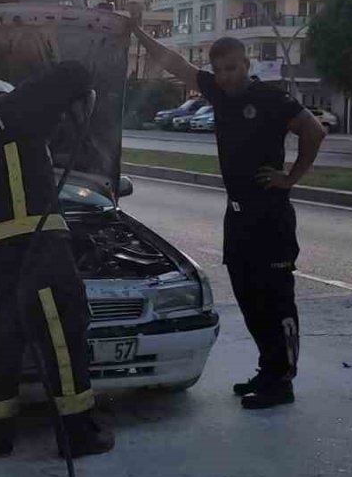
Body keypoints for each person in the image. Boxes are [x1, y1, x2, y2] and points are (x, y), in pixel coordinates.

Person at [133, 26, 326, 409]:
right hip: (237, 218)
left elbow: (314, 131)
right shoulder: (218, 94)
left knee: (276, 300)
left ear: (247, 64)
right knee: (248, 297)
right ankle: (267, 368)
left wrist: (290, 179)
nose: (226, 76)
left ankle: (282, 380)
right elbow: (175, 63)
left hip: (270, 216)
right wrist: (137, 32)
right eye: (219, 70)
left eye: (233, 68)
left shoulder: (270, 97)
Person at [0, 61, 115, 458]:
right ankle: (77, 433)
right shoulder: (14, 109)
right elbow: (75, 71)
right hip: (39, 244)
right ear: (1, 97)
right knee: (61, 331)